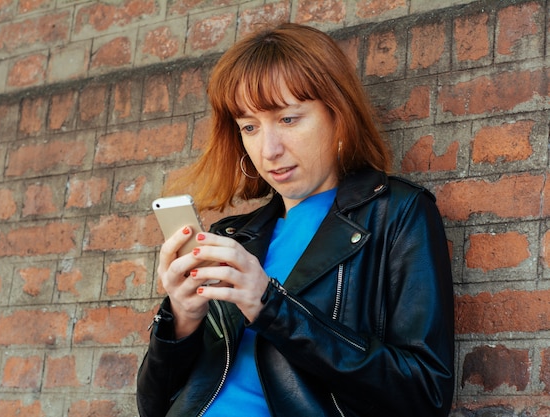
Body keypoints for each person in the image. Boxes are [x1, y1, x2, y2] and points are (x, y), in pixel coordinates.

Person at [137, 23, 454, 417]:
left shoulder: (397, 213)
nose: (268, 150)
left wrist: (271, 306)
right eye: (250, 127)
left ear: (338, 115)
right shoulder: (235, 237)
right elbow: (152, 406)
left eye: (288, 119)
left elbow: (426, 394)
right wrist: (182, 319)